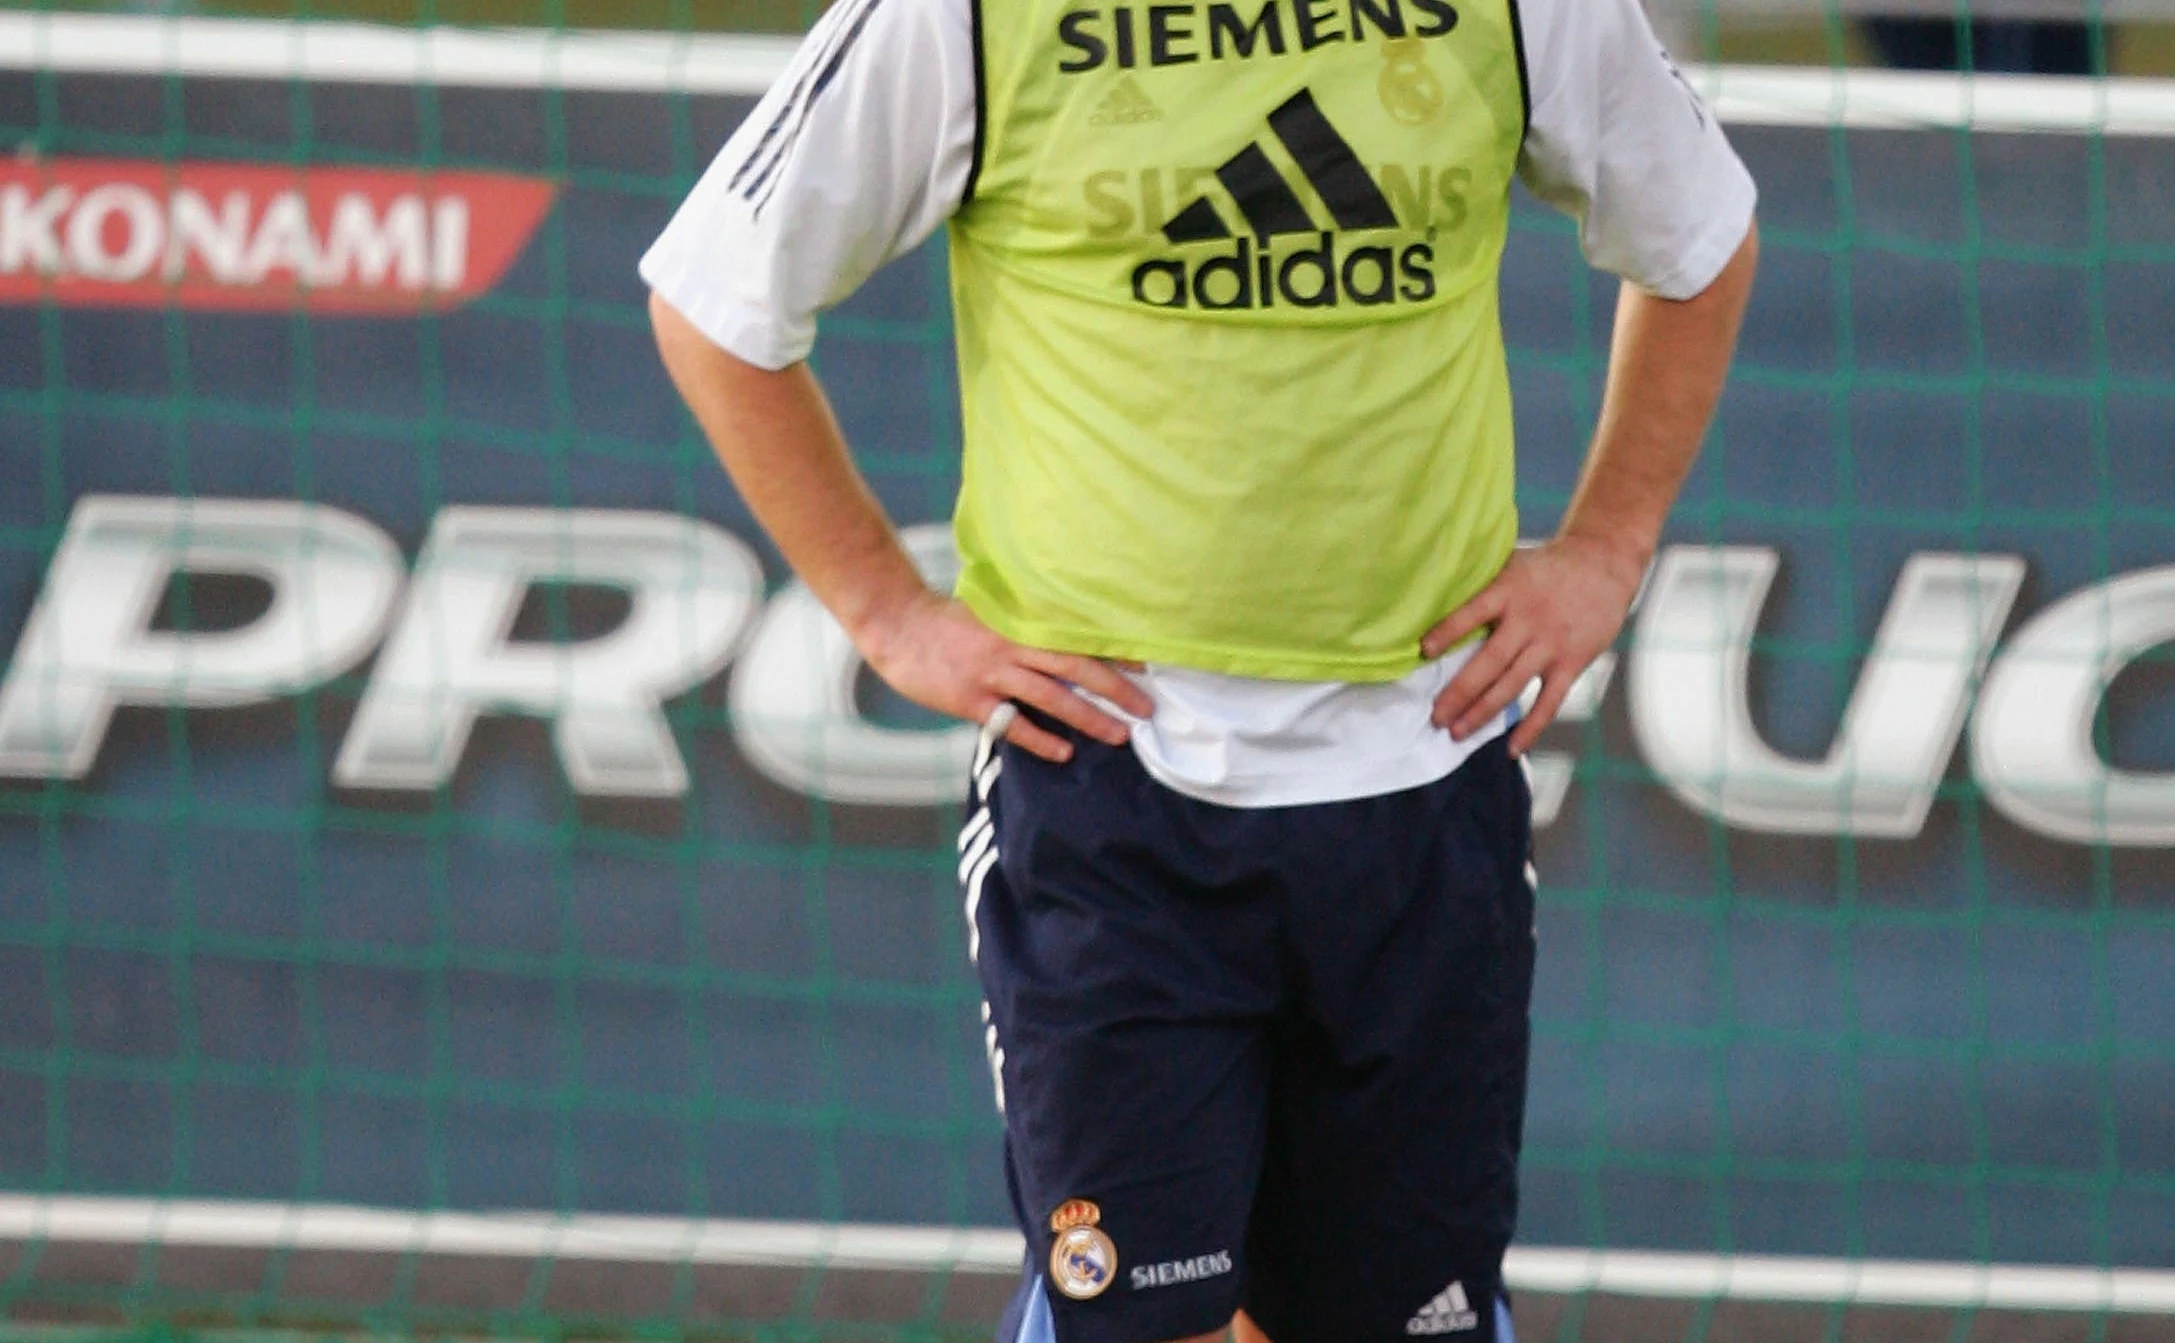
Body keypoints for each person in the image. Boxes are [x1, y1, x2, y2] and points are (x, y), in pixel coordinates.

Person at [640, 0, 1758, 1333]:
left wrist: (1607, 547)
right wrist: (888, 613)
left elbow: (1700, 240)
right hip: (1112, 798)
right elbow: (716, 302)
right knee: (1134, 1320)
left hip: (1425, 780)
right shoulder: (964, 15)